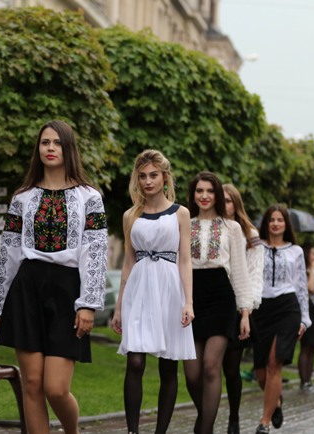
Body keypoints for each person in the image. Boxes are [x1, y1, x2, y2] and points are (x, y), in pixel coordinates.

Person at [0, 120, 108, 434]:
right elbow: (9, 252)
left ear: (68, 148)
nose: (50, 148)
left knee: (55, 388)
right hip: (26, 288)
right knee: (31, 383)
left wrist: (88, 304)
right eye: (44, 143)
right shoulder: (22, 198)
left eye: (56, 142)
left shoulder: (89, 197)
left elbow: (95, 251)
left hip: (68, 291)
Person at [111, 150, 195, 434]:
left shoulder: (181, 213)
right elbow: (128, 262)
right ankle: (132, 431)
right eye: (143, 176)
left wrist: (188, 302)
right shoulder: (129, 215)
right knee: (135, 361)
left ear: (164, 177)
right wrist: (119, 307)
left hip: (170, 287)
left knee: (168, 366)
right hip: (139, 288)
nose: (148, 181)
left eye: (153, 175)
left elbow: (185, 260)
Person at [183, 172, 252, 434]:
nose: (204, 196)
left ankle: (204, 429)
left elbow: (240, 271)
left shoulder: (231, 228)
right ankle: (206, 417)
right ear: (193, 194)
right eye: (199, 191)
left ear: (217, 196)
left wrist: (244, 312)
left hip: (221, 298)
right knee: (191, 373)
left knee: (212, 367)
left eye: (209, 191)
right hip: (191, 297)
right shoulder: (184, 223)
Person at [252, 204, 311, 434]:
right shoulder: (256, 246)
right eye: (271, 220)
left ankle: (264, 422)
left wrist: (304, 319)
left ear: (286, 225)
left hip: (288, 307)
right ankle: (276, 401)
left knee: (274, 362)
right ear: (266, 223)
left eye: (280, 220)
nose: (275, 223)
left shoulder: (296, 251)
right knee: (260, 371)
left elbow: (301, 286)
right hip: (261, 308)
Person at [221, 184, 264, 434]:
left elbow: (254, 275)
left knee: (231, 368)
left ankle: (234, 417)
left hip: (239, 307)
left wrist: (246, 307)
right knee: (209, 366)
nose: (225, 205)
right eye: (221, 200)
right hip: (213, 304)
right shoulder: (211, 228)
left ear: (236, 204)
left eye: (229, 201)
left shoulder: (250, 234)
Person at [297, 243, 314, 390]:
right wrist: (312, 270)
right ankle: (303, 380)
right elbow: (310, 288)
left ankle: (309, 379)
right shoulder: (303, 270)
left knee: (313, 347)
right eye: (313, 254)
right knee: (305, 346)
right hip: (306, 311)